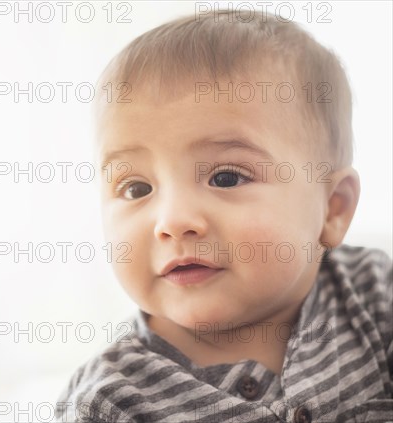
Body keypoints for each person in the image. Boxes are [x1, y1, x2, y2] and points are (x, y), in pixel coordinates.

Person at [55, 10, 393, 423]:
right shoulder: (110, 402)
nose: (173, 221)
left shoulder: (374, 294)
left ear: (332, 207)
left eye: (226, 177)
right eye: (136, 188)